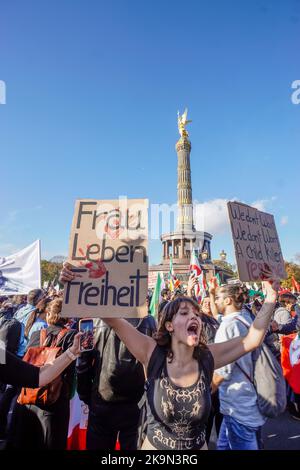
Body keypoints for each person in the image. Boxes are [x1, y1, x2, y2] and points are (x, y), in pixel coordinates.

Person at [61, 264, 278, 450]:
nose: (194, 317)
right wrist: (78, 280)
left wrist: (271, 296)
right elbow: (112, 318)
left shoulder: (208, 357)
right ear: (169, 325)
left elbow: (252, 339)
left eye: (196, 315)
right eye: (184, 313)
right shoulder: (151, 352)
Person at [212, 284, 274, 450]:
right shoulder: (245, 316)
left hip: (238, 407)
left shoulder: (228, 326)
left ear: (227, 300)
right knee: (223, 446)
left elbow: (222, 372)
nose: (215, 301)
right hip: (245, 402)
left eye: (217, 298)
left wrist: (204, 391)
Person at [12, 298, 77, 449]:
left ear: (49, 314)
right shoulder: (71, 336)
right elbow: (72, 371)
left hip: (31, 397)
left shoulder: (36, 334)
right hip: (55, 401)